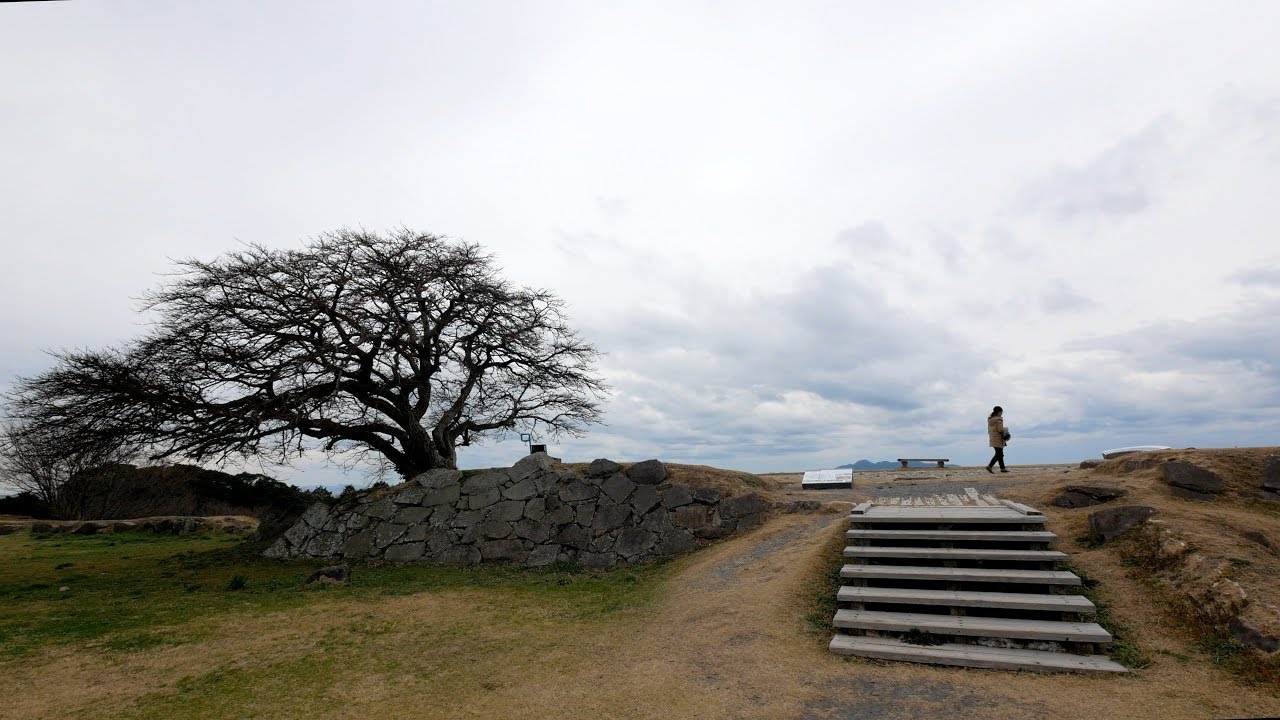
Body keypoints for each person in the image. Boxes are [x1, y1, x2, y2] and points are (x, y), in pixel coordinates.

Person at [986, 406, 1009, 473]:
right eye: (1001, 412)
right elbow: (1000, 429)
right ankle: (989, 466)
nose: (1002, 413)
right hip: (998, 439)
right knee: (999, 454)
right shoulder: (999, 419)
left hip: (992, 438)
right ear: (999, 412)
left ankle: (1002, 468)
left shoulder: (990, 419)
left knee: (999, 454)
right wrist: (1006, 429)